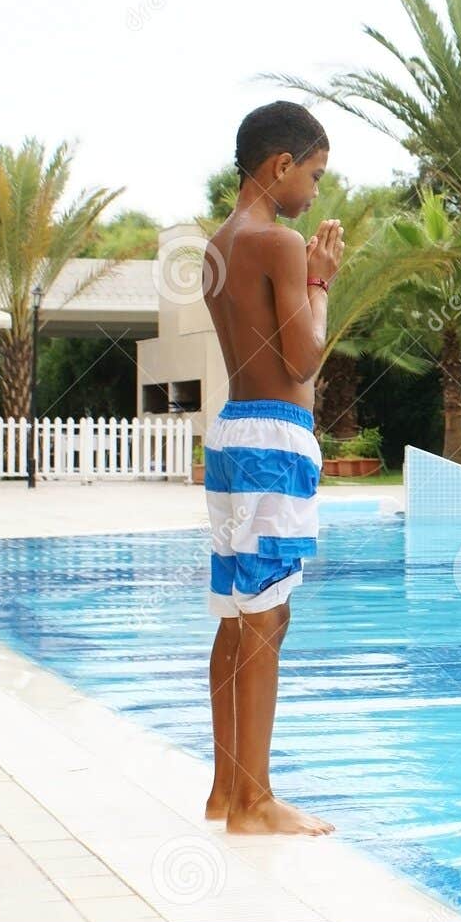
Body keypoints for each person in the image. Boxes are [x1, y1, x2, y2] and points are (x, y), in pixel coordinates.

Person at [200, 101, 343, 835]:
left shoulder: (219, 245)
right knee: (268, 617)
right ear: (279, 165)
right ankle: (255, 804)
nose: (316, 192)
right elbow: (304, 358)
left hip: (230, 435)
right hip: (275, 436)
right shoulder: (280, 243)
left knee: (236, 616)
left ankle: (227, 788)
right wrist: (320, 280)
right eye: (314, 174)